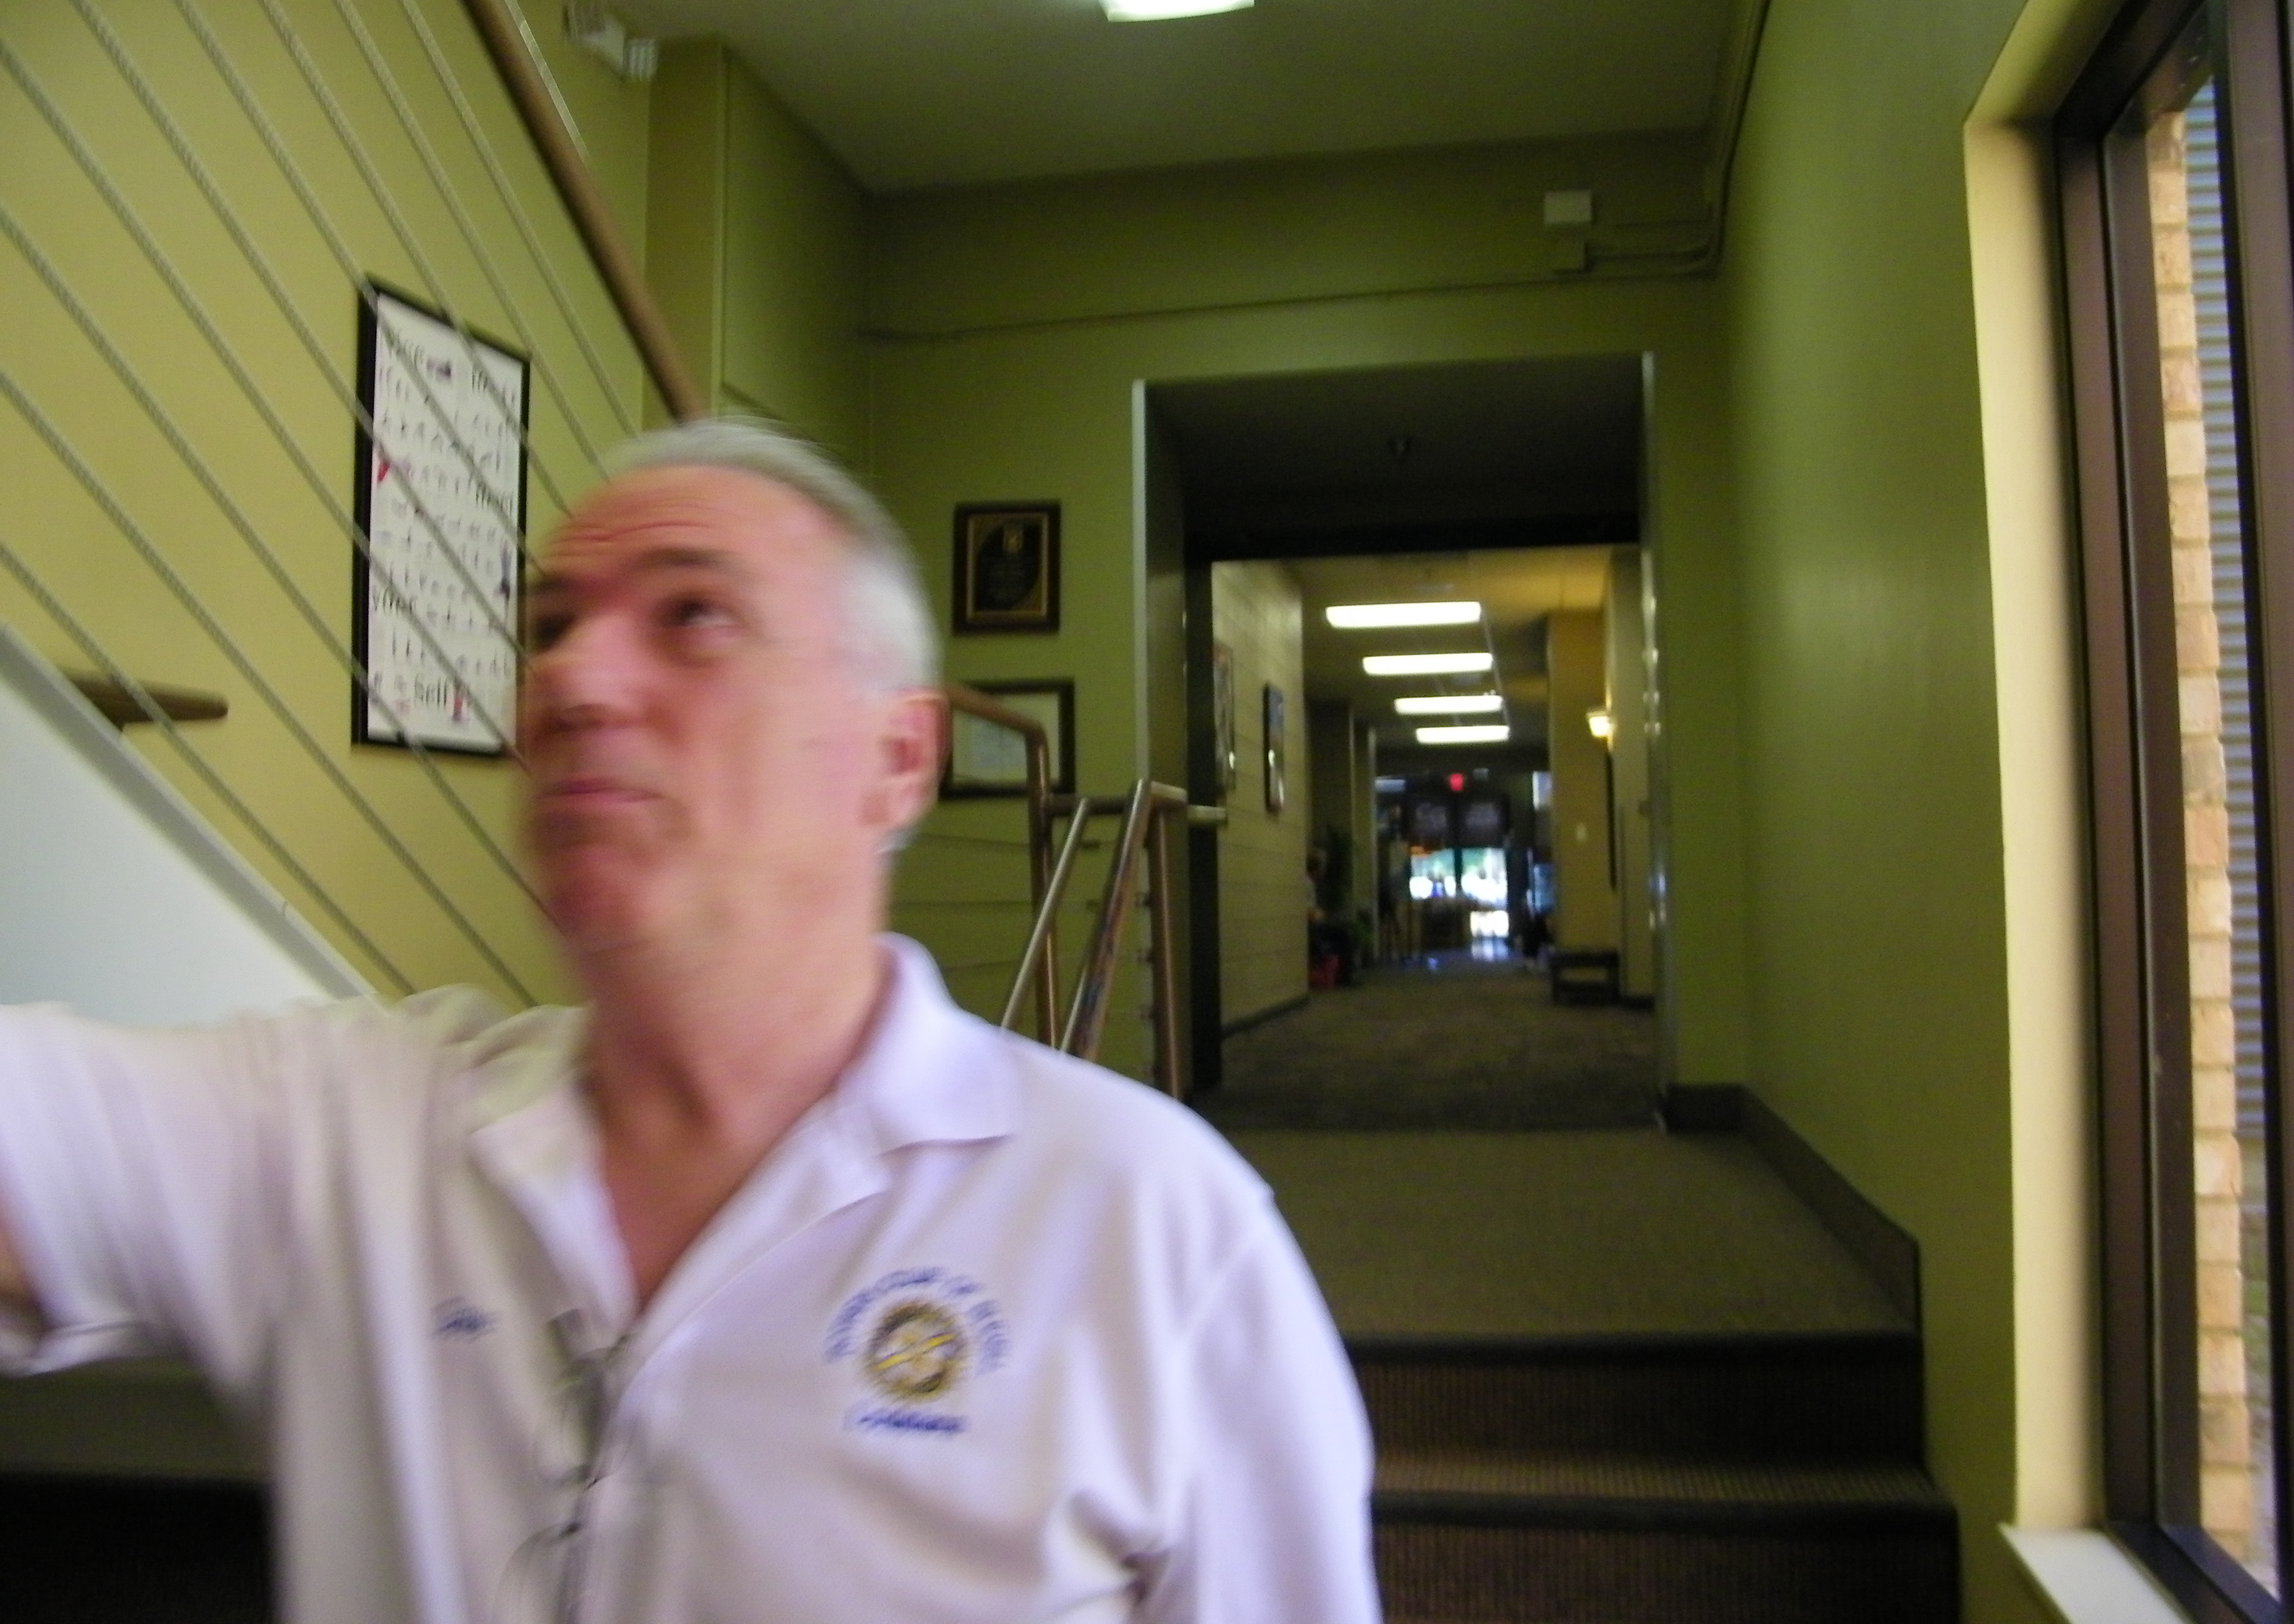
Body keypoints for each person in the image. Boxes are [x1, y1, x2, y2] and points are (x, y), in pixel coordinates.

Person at [0, 420, 1380, 1623]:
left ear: (897, 757)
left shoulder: (1151, 1230)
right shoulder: (339, 1134)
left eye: (694, 616)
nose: (569, 682)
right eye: (549, 627)